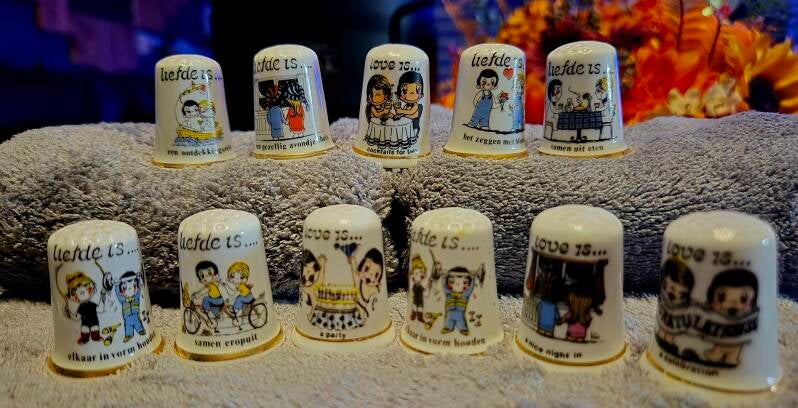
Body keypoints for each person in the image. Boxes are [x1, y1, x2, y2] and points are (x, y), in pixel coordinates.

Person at [66, 272, 102, 345]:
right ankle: (84, 339)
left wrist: (103, 298)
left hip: (94, 322)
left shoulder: (92, 305)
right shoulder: (81, 306)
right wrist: (69, 313)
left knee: (95, 331)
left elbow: (100, 309)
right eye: (81, 293)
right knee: (84, 332)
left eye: (88, 289)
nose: (85, 293)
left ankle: (96, 338)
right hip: (85, 323)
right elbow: (78, 317)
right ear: (75, 297)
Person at [115, 271, 145, 342]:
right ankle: (129, 335)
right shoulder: (123, 300)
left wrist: (138, 278)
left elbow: (139, 289)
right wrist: (116, 285)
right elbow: (118, 294)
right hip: (127, 316)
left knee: (137, 322)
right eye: (124, 288)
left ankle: (141, 330)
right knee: (128, 325)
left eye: (133, 286)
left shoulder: (136, 297)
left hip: (135, 314)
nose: (130, 289)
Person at [393, 71, 424, 140]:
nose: (411, 94)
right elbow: (405, 113)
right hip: (407, 127)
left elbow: (411, 113)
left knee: (412, 137)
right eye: (405, 91)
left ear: (421, 94)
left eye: (417, 90)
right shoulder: (406, 106)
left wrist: (400, 111)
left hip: (414, 127)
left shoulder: (416, 106)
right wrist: (399, 115)